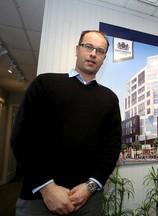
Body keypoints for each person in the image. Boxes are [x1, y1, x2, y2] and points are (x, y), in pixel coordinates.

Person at [10, 30, 122, 216]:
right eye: (88, 47)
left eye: (100, 51)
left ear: (103, 58)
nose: (93, 53)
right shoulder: (44, 84)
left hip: (89, 202)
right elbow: (22, 138)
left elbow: (112, 147)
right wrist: (47, 188)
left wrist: (90, 186)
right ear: (77, 49)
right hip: (39, 200)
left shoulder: (110, 99)